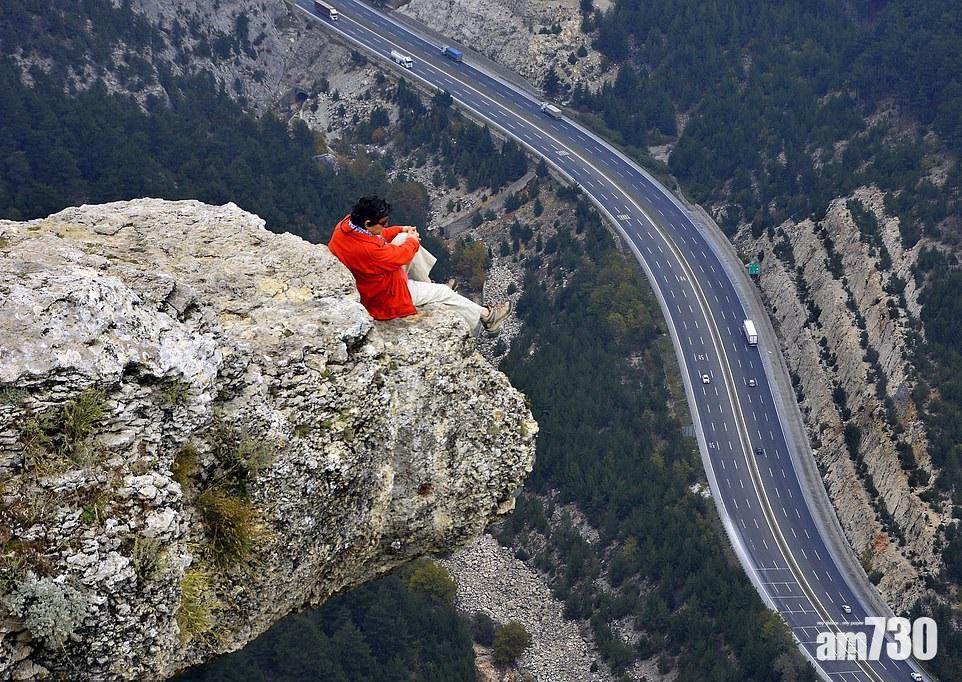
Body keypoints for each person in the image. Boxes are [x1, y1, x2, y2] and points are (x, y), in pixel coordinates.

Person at [328, 195, 512, 334]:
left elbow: (380, 237)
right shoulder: (369, 250)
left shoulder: (346, 226)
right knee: (444, 292)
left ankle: (427, 287)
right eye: (383, 223)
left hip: (368, 282)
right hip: (384, 296)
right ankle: (487, 317)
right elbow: (400, 255)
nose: (386, 225)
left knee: (403, 238)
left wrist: (402, 230)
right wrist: (413, 240)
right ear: (368, 223)